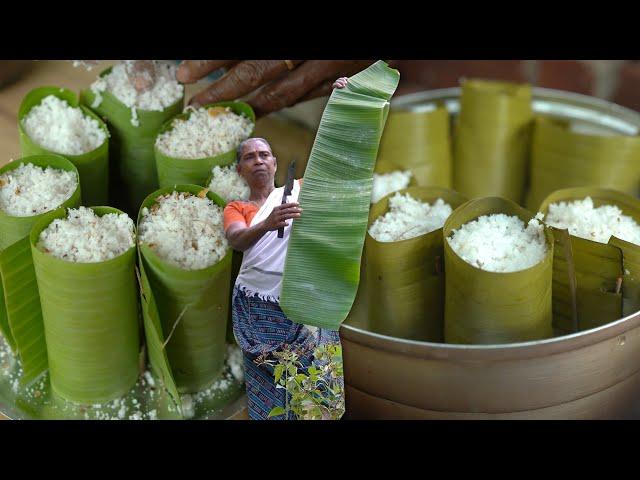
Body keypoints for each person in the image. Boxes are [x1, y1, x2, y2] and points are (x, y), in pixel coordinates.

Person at [223, 77, 348, 420]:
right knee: (269, 391)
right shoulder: (237, 208)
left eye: (264, 155)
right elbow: (236, 239)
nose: (259, 161)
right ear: (241, 169)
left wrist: (340, 101)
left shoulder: (297, 191)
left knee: (318, 391)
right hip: (257, 305)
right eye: (250, 158)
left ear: (275, 163)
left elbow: (334, 164)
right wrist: (267, 223)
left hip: (304, 299)